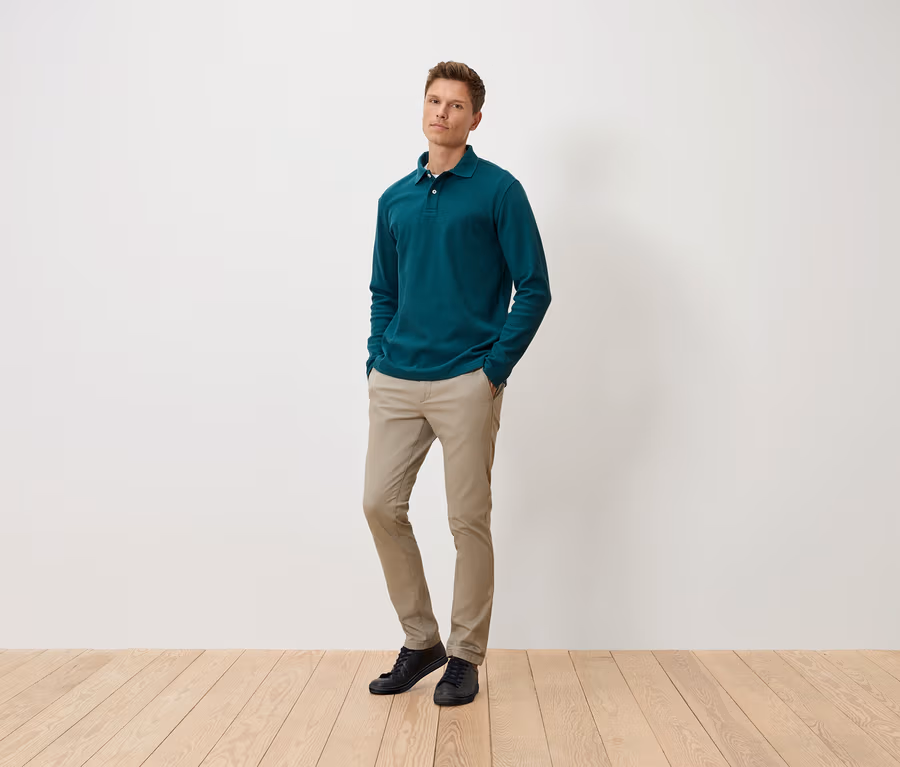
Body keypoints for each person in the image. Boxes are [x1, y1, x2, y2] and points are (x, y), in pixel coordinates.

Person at [363, 61, 552, 706]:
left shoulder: (499, 191)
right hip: (396, 379)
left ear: (475, 118)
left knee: (467, 521)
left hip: (466, 379)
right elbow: (383, 291)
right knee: (379, 506)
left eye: (455, 105)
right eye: (433, 100)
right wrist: (375, 358)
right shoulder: (395, 198)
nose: (441, 113)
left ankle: (465, 654)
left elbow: (534, 287)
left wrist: (492, 371)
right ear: (423, 107)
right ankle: (422, 642)